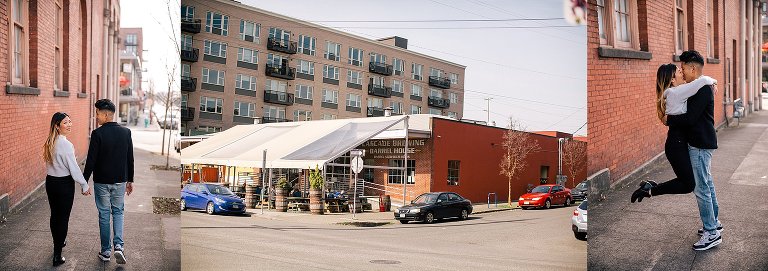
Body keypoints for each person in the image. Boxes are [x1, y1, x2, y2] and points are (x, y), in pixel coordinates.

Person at [667, 50, 722, 251]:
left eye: (682, 68)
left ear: (692, 68)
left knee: (701, 188)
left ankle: (711, 232)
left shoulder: (702, 89)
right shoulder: (699, 86)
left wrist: (669, 120)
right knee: (707, 183)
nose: (681, 72)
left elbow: (689, 119)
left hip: (699, 144)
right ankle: (714, 223)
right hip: (703, 142)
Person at [83, 99, 135, 264]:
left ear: (106, 114)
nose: (96, 116)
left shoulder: (98, 134)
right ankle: (118, 246)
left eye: (97, 113)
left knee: (104, 215)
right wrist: (130, 180)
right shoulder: (126, 132)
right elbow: (130, 159)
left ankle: (106, 251)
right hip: (120, 181)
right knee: (118, 212)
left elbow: (91, 160)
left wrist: (84, 181)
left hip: (101, 182)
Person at [43, 112, 92, 266]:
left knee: (55, 216)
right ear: (57, 126)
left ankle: (58, 243)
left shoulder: (50, 142)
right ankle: (57, 255)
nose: (69, 125)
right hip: (64, 184)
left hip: (51, 182)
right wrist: (84, 184)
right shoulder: (66, 145)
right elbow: (74, 169)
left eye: (70, 121)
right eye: (65, 122)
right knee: (63, 218)